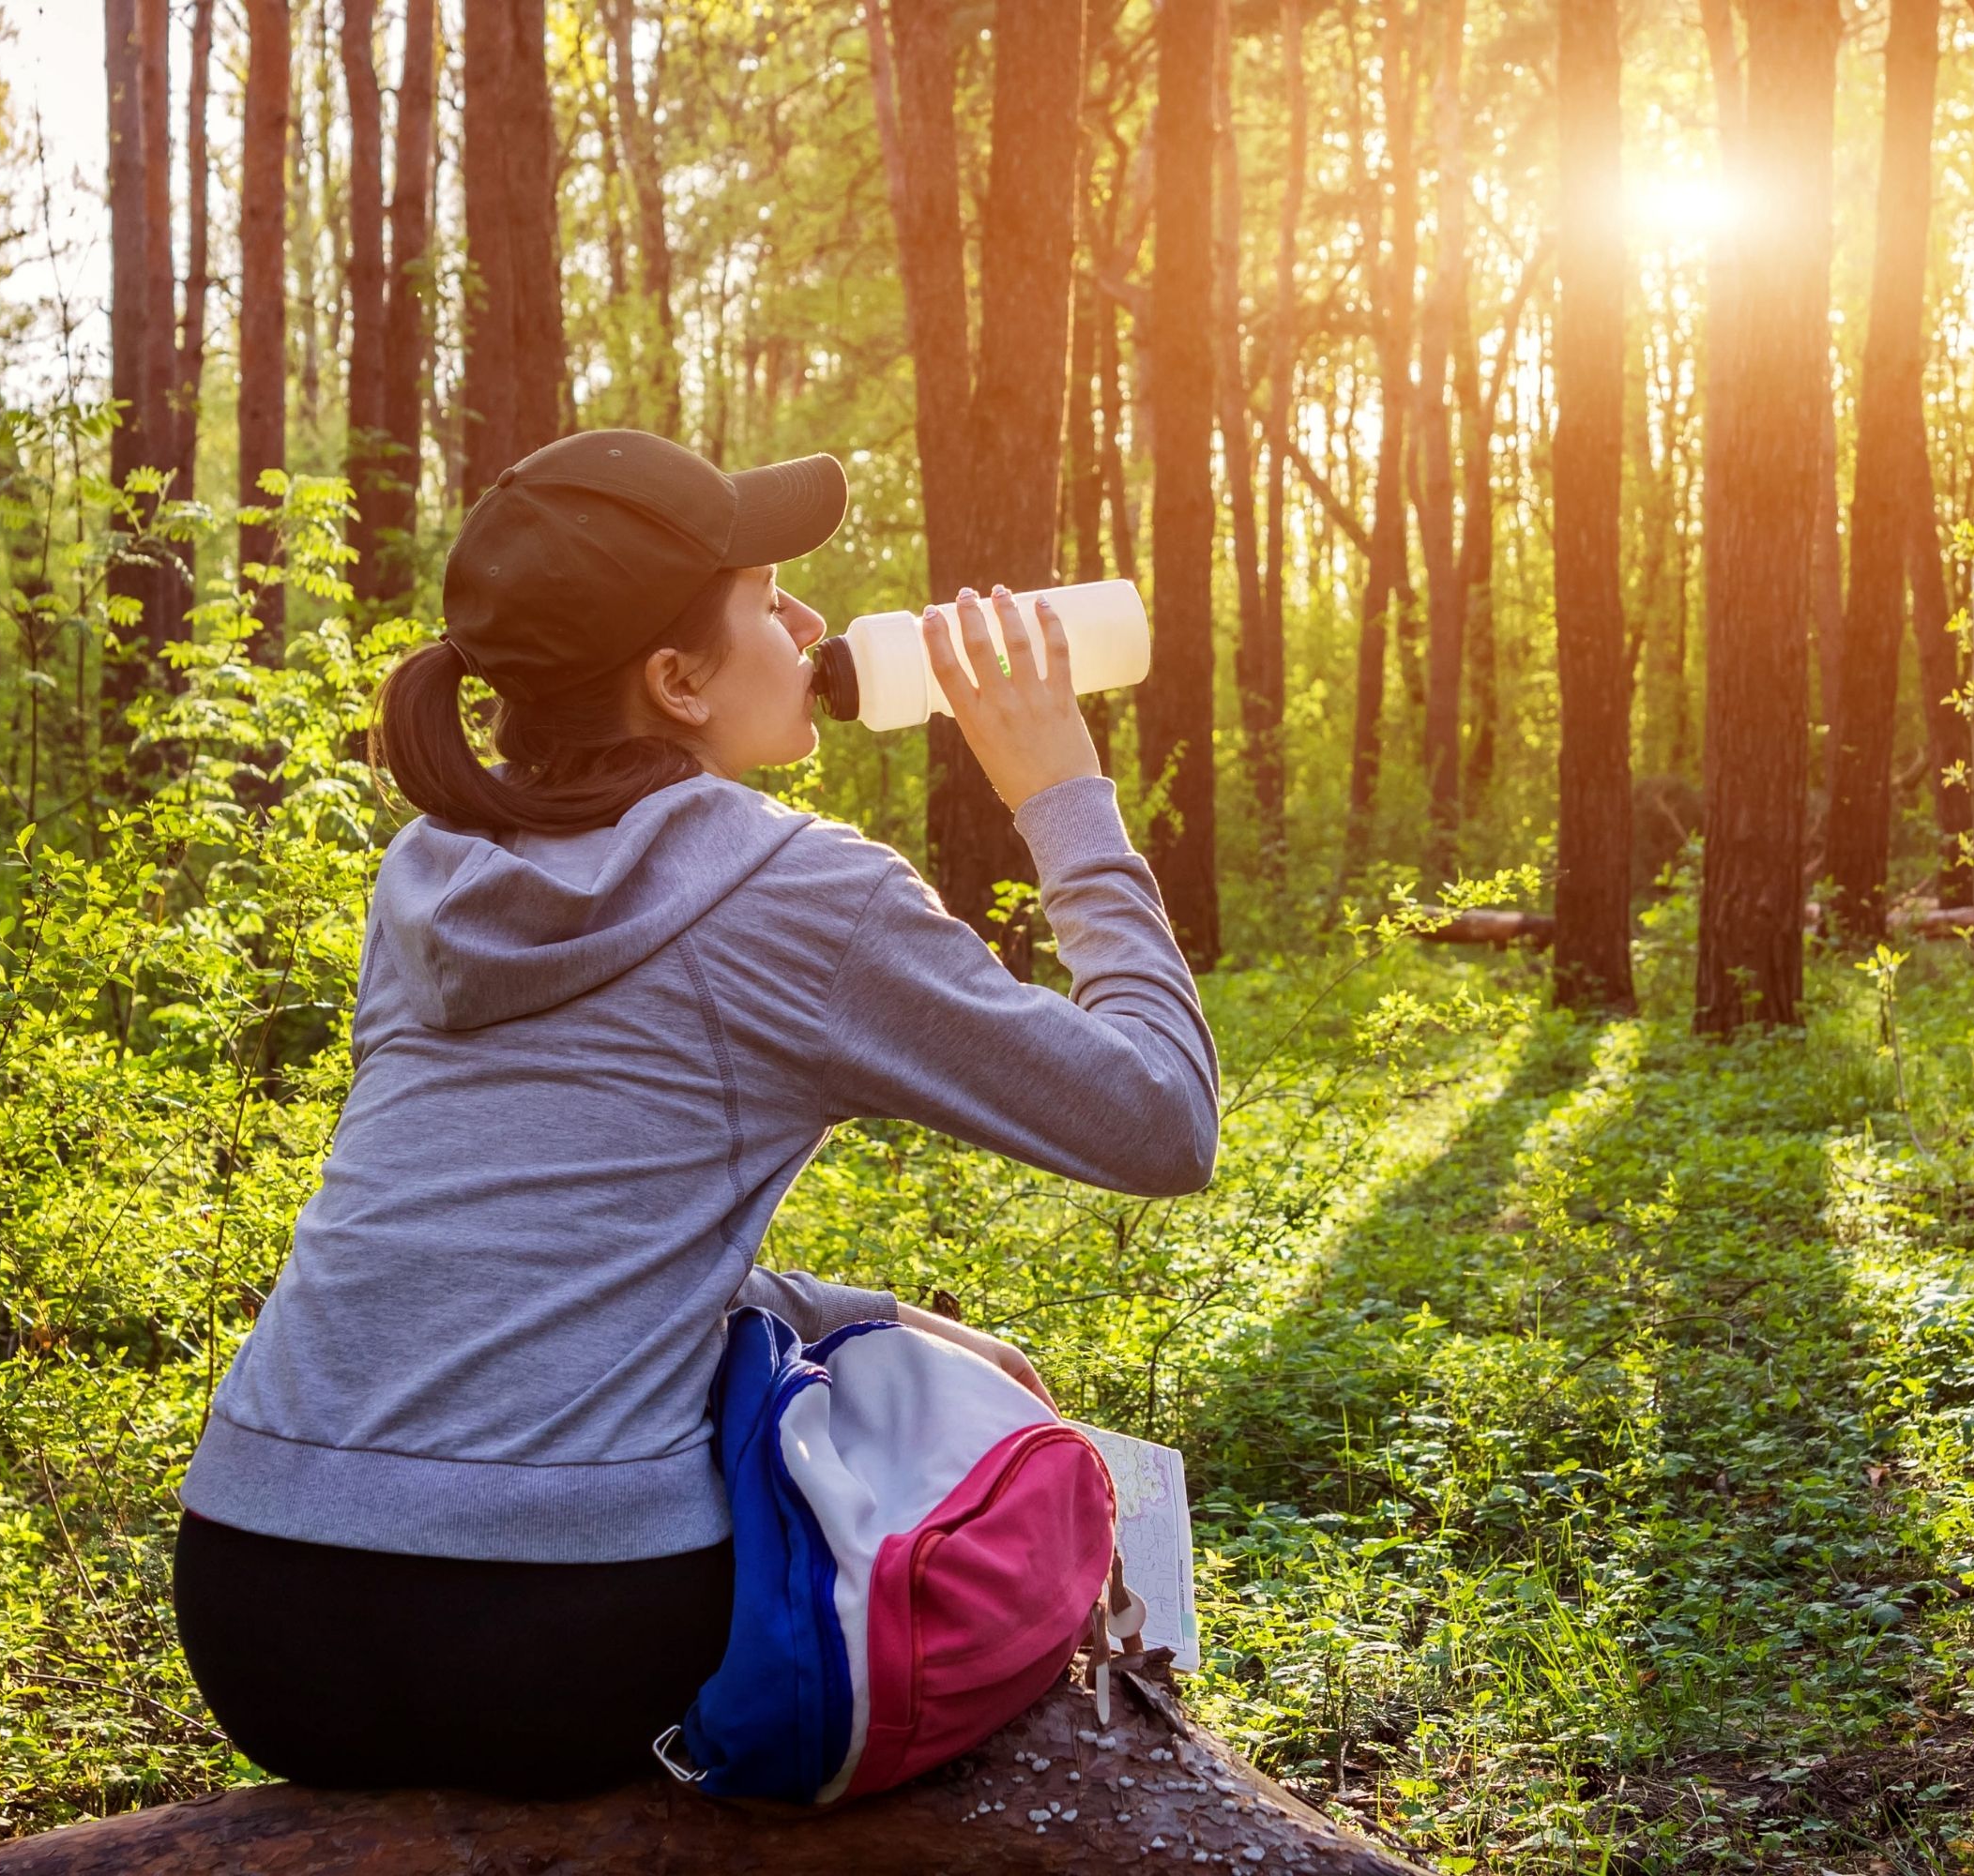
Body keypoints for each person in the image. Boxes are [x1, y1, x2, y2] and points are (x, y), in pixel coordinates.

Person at [170, 431, 1218, 1798]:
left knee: (887, 1367)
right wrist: (1061, 795)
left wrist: (871, 1313)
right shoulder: (796, 888)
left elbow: (525, 1243)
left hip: (254, 1608)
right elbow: (1161, 1119)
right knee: (987, 1521)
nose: (811, 627)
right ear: (676, 682)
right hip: (556, 1633)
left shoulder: (428, 872)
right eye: (770, 600)